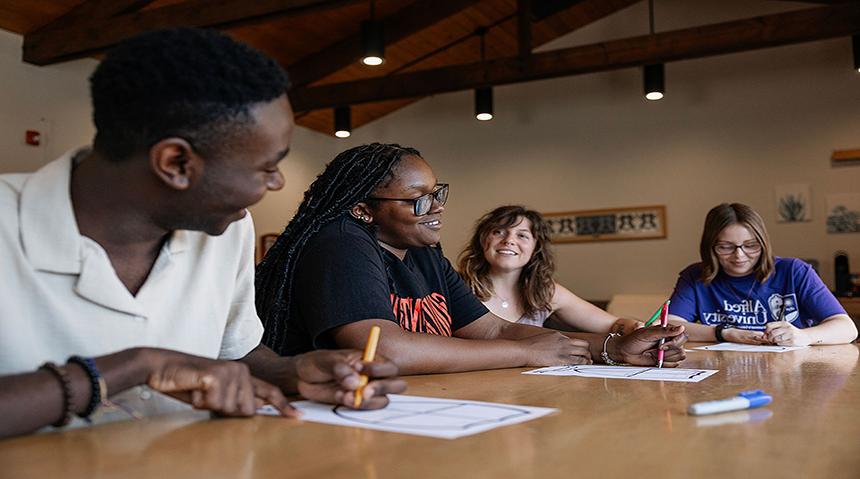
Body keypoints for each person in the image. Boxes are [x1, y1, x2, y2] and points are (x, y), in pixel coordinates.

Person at [0, 28, 404, 440]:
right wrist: (139, 365)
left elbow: (232, 353)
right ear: (176, 163)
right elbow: (160, 365)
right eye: (267, 166)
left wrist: (292, 371)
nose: (278, 182)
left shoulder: (225, 230)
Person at [255, 143, 687, 374]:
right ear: (364, 209)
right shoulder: (341, 241)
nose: (437, 207)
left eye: (436, 193)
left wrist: (612, 349)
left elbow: (491, 329)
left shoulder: (424, 252)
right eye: (418, 200)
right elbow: (383, 349)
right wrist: (523, 355)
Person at [667, 203, 857, 345]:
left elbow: (847, 328)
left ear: (763, 243)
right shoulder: (695, 276)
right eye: (725, 247)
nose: (739, 255)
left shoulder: (793, 271)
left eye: (750, 245)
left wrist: (804, 336)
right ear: (710, 246)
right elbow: (670, 326)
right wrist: (724, 333)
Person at [457, 205, 642, 334]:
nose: (509, 240)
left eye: (522, 235)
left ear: (535, 248)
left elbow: (612, 325)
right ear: (483, 241)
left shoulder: (546, 292)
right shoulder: (457, 286)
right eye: (498, 232)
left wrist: (637, 327)